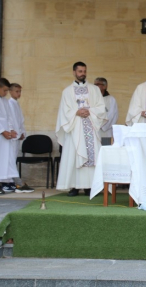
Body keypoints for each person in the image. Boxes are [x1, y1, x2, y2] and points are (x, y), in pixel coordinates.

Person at [56, 62, 106, 197]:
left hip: (91, 127)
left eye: (84, 71)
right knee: (73, 156)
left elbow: (101, 107)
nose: (82, 73)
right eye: (80, 71)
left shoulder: (94, 90)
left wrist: (89, 111)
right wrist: (76, 113)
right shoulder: (67, 91)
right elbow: (64, 112)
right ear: (74, 72)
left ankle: (90, 186)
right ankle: (74, 187)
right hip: (75, 129)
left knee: (92, 157)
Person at [0, 78, 19, 194]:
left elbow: (9, 117)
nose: (6, 93)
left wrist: (11, 129)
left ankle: (4, 182)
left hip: (6, 136)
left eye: (7, 91)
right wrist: (2, 131)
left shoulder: (5, 101)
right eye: (5, 90)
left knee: (5, 159)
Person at [8, 83, 34, 193]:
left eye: (20, 91)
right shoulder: (9, 104)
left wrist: (22, 132)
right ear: (10, 91)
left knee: (12, 159)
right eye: (17, 91)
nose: (19, 94)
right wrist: (12, 131)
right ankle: (13, 182)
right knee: (9, 160)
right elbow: (9, 120)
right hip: (11, 137)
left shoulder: (16, 104)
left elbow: (20, 121)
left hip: (17, 137)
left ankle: (13, 182)